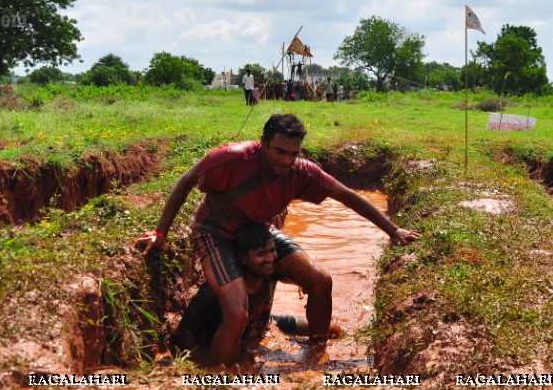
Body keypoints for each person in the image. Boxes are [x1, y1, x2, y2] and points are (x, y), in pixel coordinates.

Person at [138, 113, 418, 365]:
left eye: (293, 154)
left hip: (260, 229)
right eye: (280, 151)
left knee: (321, 280)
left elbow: (346, 195)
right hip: (217, 232)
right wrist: (161, 233)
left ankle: (315, 356)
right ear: (263, 142)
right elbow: (186, 181)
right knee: (236, 314)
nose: (286, 160)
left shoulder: (301, 172)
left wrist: (392, 230)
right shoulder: (232, 159)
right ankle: (223, 376)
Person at [172, 222, 341, 363]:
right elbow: (179, 342)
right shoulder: (215, 292)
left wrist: (304, 283)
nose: (270, 258)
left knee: (334, 330)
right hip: (231, 341)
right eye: (261, 254)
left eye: (272, 250)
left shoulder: (269, 271)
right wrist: (214, 358)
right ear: (243, 258)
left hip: (267, 323)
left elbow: (308, 278)